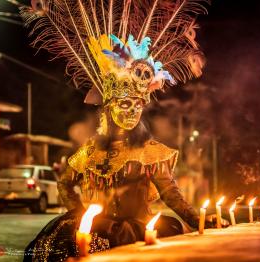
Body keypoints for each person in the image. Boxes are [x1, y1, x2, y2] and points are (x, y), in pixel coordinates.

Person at [21, 0, 212, 261]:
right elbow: (65, 183)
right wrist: (80, 217)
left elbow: (171, 195)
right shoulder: (90, 151)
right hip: (97, 231)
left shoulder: (152, 153)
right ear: (109, 107)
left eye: (138, 105)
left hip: (140, 230)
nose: (132, 111)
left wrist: (200, 218)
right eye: (124, 104)